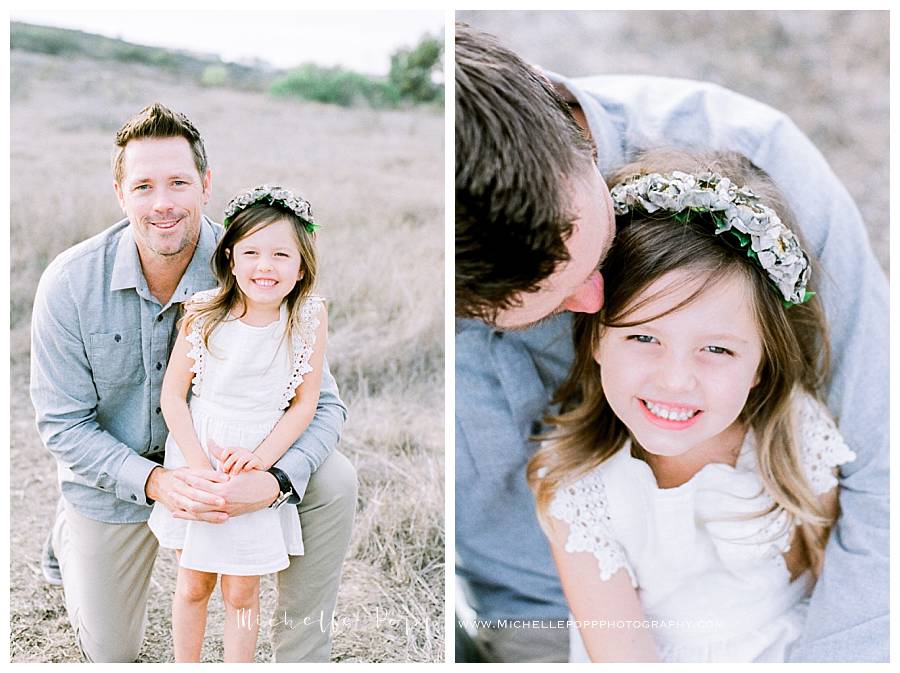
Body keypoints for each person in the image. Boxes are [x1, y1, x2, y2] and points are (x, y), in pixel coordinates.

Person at [455, 23, 888, 663]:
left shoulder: (753, 159)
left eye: (589, 259)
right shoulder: (580, 490)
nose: (591, 306)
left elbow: (876, 500)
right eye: (545, 304)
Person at [30, 103, 357, 662]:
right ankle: (72, 535)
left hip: (236, 466)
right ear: (120, 193)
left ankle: (302, 656)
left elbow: (322, 407)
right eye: (144, 186)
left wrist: (275, 479)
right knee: (112, 652)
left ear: (205, 185)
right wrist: (159, 482)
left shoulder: (253, 264)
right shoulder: (69, 283)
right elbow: (63, 425)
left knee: (334, 481)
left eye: (179, 182)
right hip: (121, 479)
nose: (163, 203)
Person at [528, 148, 855, 662]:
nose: (676, 380)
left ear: (762, 365)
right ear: (595, 338)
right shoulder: (577, 487)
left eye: (717, 349)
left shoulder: (795, 440)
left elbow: (843, 599)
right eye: (643, 338)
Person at [146, 185, 329, 661]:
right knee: (193, 583)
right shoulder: (204, 312)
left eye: (280, 254)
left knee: (243, 591)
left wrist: (262, 463)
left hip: (256, 462)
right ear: (230, 257)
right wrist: (194, 462)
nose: (264, 266)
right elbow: (174, 395)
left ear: (301, 265)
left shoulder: (307, 318)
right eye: (251, 252)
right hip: (200, 455)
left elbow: (305, 405)